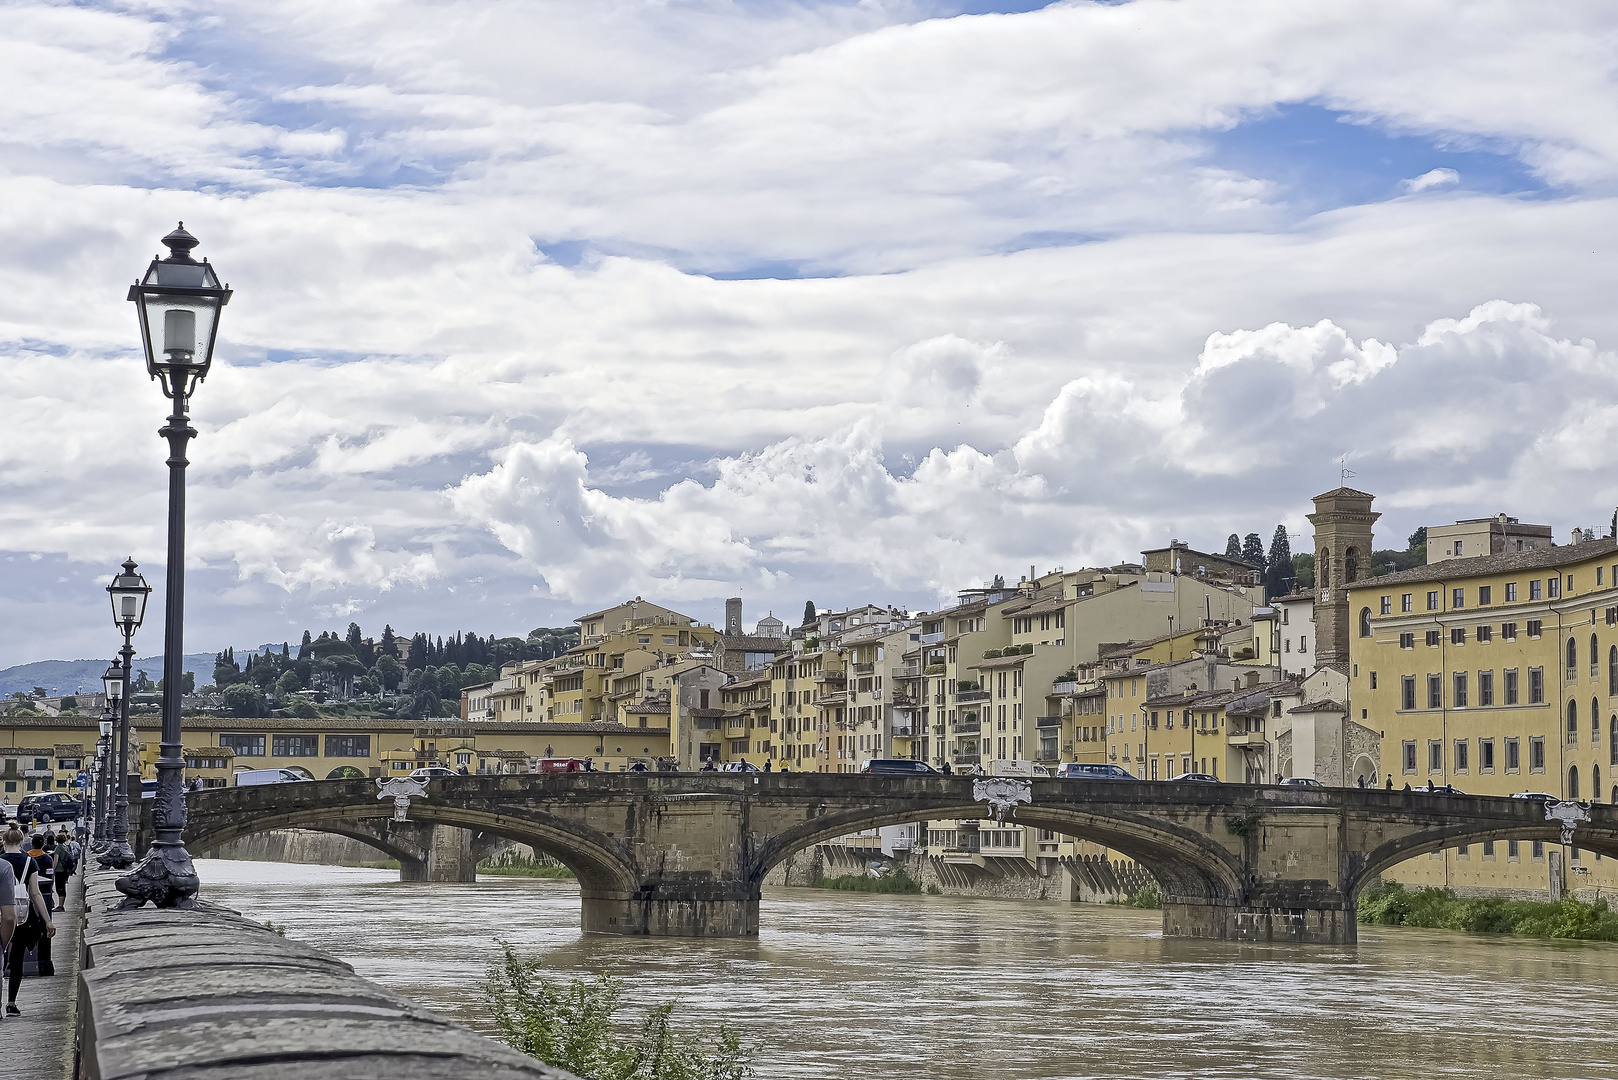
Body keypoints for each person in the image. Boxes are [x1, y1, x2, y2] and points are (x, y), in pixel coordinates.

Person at [3, 828, 54, 1014]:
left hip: (1, 915)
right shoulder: (29, 862)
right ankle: (11, 1002)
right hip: (23, 917)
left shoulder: (0, 862)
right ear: (21, 841)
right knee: (17, 960)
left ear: (3, 841)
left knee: (1, 958)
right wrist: (47, 920)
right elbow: (35, 893)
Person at [50, 831, 73, 912]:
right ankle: (61, 905)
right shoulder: (66, 847)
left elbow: (55, 860)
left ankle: (60, 906)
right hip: (65, 869)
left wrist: (52, 869)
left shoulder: (58, 848)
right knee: (63, 886)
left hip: (59, 870)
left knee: (59, 888)